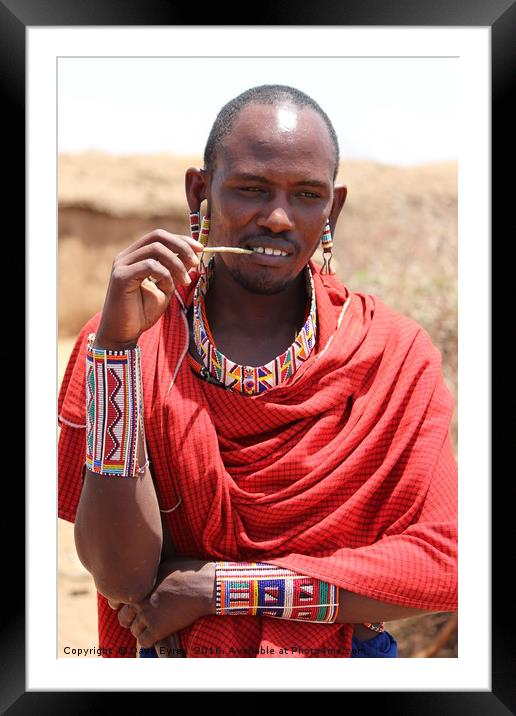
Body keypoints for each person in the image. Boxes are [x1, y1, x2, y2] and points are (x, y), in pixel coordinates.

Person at [58, 84, 458, 659]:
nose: (276, 218)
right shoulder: (128, 343)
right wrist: (118, 351)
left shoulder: (391, 354)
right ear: (200, 192)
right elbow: (122, 580)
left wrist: (220, 591)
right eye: (251, 189)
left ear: (333, 209)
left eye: (306, 195)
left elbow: (445, 564)